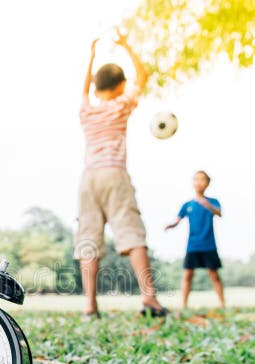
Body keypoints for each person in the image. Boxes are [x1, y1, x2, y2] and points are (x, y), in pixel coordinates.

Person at [74, 29, 168, 321]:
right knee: (131, 233)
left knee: (89, 239)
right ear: (118, 86)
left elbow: (84, 88)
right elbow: (143, 76)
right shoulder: (120, 106)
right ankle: (149, 298)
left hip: (88, 179)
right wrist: (126, 44)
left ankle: (90, 307)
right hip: (114, 174)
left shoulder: (86, 110)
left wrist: (91, 55)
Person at [164, 170, 225, 308]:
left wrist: (206, 204)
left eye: (202, 180)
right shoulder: (187, 205)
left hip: (209, 244)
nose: (198, 182)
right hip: (193, 245)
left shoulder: (213, 202)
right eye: (196, 179)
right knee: (188, 275)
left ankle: (222, 304)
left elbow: (219, 213)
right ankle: (184, 305)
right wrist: (171, 225)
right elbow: (177, 220)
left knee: (214, 274)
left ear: (207, 183)